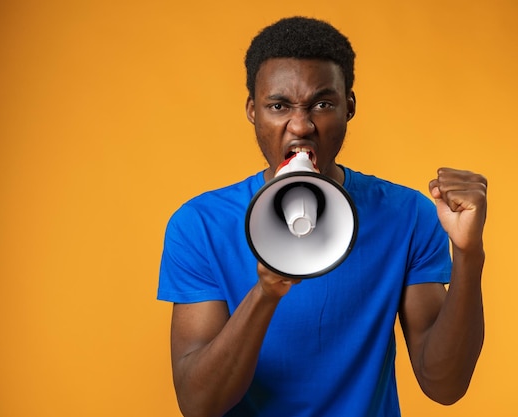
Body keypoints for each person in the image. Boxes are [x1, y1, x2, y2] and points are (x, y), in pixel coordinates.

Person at [158, 16, 487, 417]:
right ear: (253, 111)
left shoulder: (408, 215)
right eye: (279, 106)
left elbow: (445, 385)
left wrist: (469, 254)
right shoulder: (199, 227)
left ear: (349, 107)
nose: (301, 125)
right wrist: (265, 293)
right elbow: (199, 405)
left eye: (322, 104)